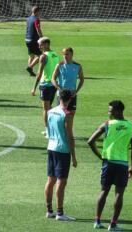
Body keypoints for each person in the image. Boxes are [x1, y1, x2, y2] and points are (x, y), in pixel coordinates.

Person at [87, 100, 132, 231]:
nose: (108, 113)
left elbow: (90, 141)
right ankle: (113, 224)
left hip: (108, 163)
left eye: (110, 111)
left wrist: (100, 156)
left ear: (118, 111)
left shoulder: (107, 125)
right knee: (119, 194)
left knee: (104, 191)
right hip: (122, 164)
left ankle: (97, 222)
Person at [44, 89, 77, 221]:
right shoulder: (67, 114)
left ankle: (49, 210)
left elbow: (49, 129)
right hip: (62, 150)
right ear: (69, 99)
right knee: (61, 182)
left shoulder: (50, 111)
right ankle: (60, 213)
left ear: (59, 98)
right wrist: (74, 157)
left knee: (50, 180)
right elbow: (70, 136)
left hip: (51, 148)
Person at [31, 37, 60, 137]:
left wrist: (34, 87)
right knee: (50, 108)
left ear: (47, 44)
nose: (39, 46)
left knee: (46, 109)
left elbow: (39, 73)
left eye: (41, 44)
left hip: (45, 85)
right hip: (54, 84)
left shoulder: (43, 56)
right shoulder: (55, 54)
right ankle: (53, 129)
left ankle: (48, 132)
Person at [51, 47, 84, 126]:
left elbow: (82, 79)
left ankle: (69, 132)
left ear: (72, 54)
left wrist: (76, 91)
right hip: (62, 95)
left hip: (72, 94)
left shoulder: (77, 66)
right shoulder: (59, 65)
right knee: (61, 115)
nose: (65, 56)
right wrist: (59, 89)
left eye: (67, 54)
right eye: (64, 54)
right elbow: (53, 79)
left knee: (71, 115)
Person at [25, 6, 43, 77]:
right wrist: (42, 38)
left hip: (27, 39)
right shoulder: (36, 19)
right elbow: (38, 29)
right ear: (37, 11)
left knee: (31, 55)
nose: (40, 13)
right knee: (41, 56)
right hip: (33, 40)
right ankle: (30, 67)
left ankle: (30, 72)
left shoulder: (28, 19)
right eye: (39, 12)